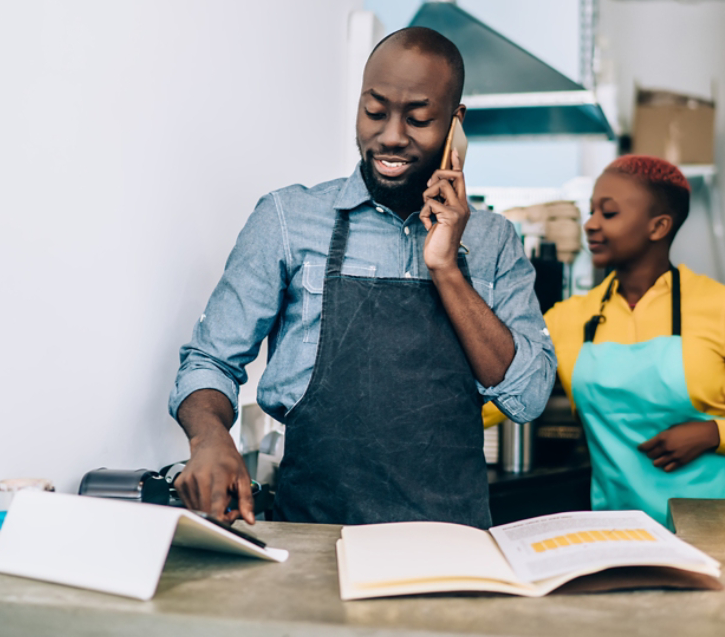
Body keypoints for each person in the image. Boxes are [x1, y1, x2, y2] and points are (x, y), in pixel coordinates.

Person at [169, 27, 556, 528]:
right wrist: (210, 439)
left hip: (451, 548)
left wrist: (446, 268)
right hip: (315, 537)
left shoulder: (494, 241)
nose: (391, 135)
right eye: (375, 112)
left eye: (418, 119)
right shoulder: (287, 220)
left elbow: (527, 397)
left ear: (456, 125)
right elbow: (210, 360)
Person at [487, 155, 725, 526]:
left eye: (608, 213)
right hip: (626, 528)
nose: (590, 225)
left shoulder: (724, 308)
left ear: (658, 226)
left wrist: (716, 433)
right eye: (591, 211)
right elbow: (497, 400)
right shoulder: (568, 319)